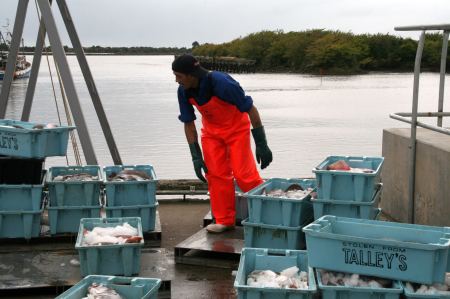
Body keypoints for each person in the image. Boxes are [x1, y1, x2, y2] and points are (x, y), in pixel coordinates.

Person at [172, 54, 272, 233]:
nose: (176, 80)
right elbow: (188, 123)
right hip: (211, 133)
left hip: (236, 129)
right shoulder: (183, 91)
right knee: (216, 175)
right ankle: (225, 220)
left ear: (191, 74)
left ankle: (268, 214)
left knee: (244, 175)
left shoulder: (222, 82)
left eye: (179, 76)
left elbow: (250, 109)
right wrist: (196, 155)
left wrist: (261, 143)